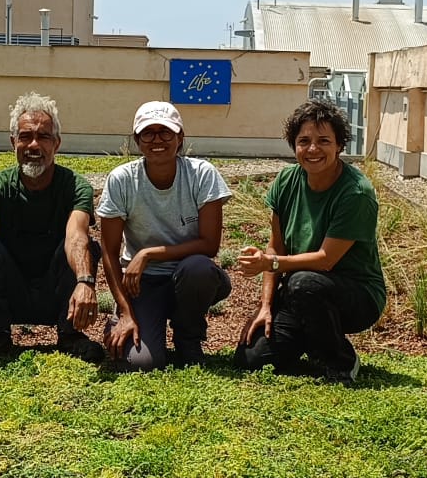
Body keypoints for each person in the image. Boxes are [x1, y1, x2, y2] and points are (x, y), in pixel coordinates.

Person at [0, 92, 104, 360]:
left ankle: (71, 336)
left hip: (57, 291)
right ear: (13, 142)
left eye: (43, 136)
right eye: (25, 137)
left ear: (56, 144)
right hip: (11, 292)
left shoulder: (75, 186)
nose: (34, 145)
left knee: (87, 248)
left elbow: (76, 236)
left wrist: (85, 281)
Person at [232, 98, 386, 383]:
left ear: (340, 145)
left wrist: (270, 263)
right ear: (294, 145)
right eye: (304, 141)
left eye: (324, 140)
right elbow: (275, 245)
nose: (313, 149)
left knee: (306, 282)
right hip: (300, 291)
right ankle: (313, 338)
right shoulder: (286, 182)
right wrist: (265, 305)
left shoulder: (356, 193)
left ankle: (341, 360)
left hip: (355, 294)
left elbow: (326, 261)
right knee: (252, 358)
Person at [96, 101, 232, 369]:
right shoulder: (121, 179)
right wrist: (125, 312)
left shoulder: (201, 174)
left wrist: (148, 253)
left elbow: (209, 244)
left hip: (189, 276)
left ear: (180, 138)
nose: (157, 140)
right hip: (143, 283)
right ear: (137, 140)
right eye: (148, 133)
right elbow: (109, 251)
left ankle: (188, 338)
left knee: (199, 269)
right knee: (143, 362)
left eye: (166, 132)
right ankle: (122, 319)